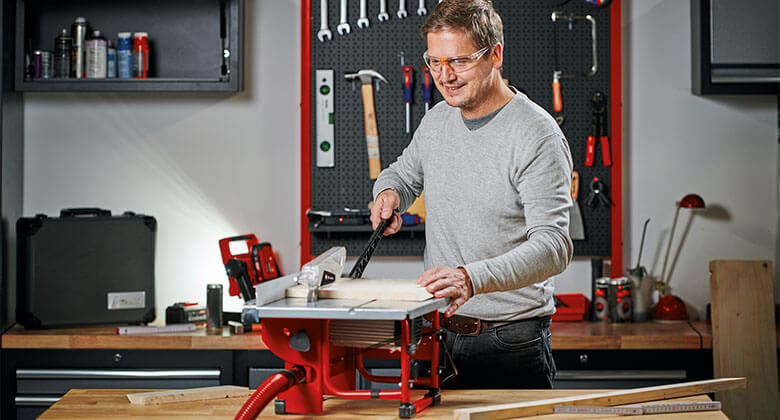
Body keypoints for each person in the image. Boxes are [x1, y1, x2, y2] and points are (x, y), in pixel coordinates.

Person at [369, 0, 573, 389]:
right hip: (436, 333)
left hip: (509, 343)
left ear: (495, 55)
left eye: (459, 61)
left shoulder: (536, 135)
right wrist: (390, 193)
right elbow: (403, 174)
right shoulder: (438, 119)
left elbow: (554, 246)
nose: (445, 76)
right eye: (434, 61)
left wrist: (470, 278)